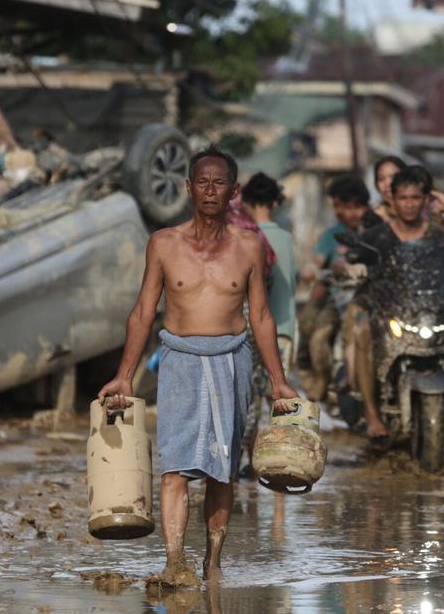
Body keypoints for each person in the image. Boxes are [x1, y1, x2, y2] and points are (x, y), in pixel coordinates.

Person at [98, 145, 297, 586]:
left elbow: (260, 316)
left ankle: (212, 561)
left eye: (219, 182)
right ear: (188, 188)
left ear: (234, 191)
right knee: (175, 469)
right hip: (179, 363)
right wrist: (124, 375)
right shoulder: (164, 244)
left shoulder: (249, 245)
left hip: (233, 362)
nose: (210, 190)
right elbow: (143, 311)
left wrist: (279, 383)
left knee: (221, 470)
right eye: (202, 182)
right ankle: (174, 560)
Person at [353, 167, 444, 437]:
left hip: (431, 313)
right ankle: (372, 414)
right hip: (391, 314)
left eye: (415, 197)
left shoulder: (441, 237)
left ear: (425, 200)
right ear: (393, 200)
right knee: (362, 331)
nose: (409, 204)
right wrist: (350, 268)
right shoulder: (378, 236)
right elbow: (348, 259)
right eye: (403, 198)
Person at [240, 173, 298, 475]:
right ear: (276, 202)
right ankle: (278, 465)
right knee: (278, 400)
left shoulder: (240, 236)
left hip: (250, 331)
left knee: (249, 399)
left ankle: (248, 462)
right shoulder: (285, 239)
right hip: (283, 330)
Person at [300, 176, 370, 401]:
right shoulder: (332, 235)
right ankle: (321, 381)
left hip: (372, 299)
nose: (349, 213)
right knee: (318, 336)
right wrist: (312, 269)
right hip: (339, 299)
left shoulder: (376, 232)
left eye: (355, 207)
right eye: (342, 207)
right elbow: (317, 261)